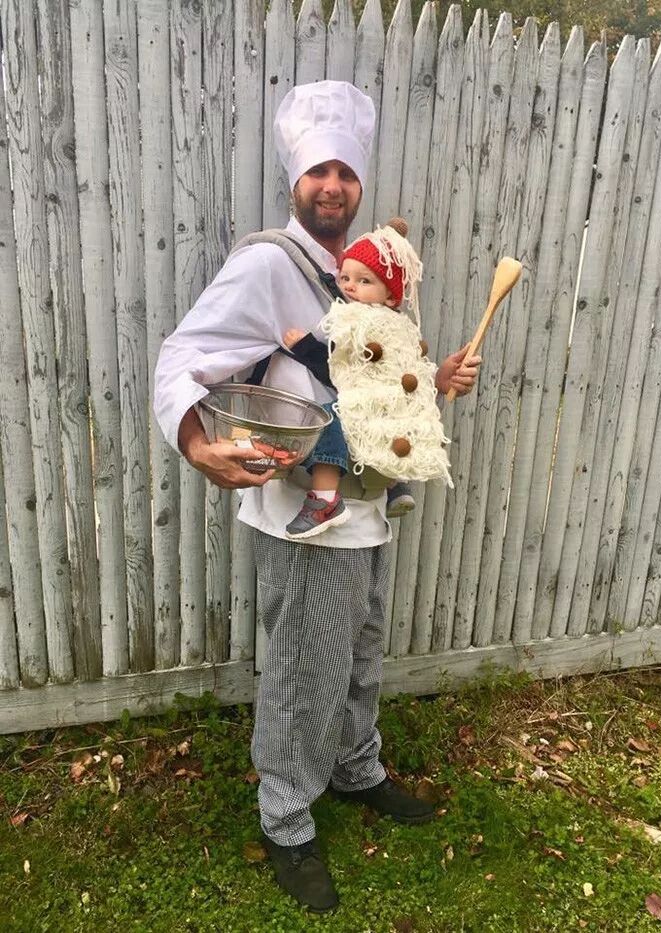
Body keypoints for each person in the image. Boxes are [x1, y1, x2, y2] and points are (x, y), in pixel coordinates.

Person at [154, 80, 481, 913]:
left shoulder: (375, 274)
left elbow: (382, 390)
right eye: (318, 172)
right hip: (303, 513)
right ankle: (286, 815)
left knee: (360, 648)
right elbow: (184, 354)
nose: (332, 185)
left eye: (345, 171)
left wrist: (438, 381)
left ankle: (354, 765)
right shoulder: (270, 264)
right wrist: (197, 443)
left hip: (368, 504)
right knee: (305, 662)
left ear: (359, 181)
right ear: (296, 180)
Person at [282, 217, 424, 540]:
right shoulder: (395, 323)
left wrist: (304, 347)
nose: (349, 286)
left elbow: (339, 371)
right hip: (390, 405)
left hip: (370, 400)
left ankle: (325, 499)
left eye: (364, 281)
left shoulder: (360, 323)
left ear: (391, 296)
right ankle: (393, 482)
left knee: (328, 417)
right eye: (345, 277)